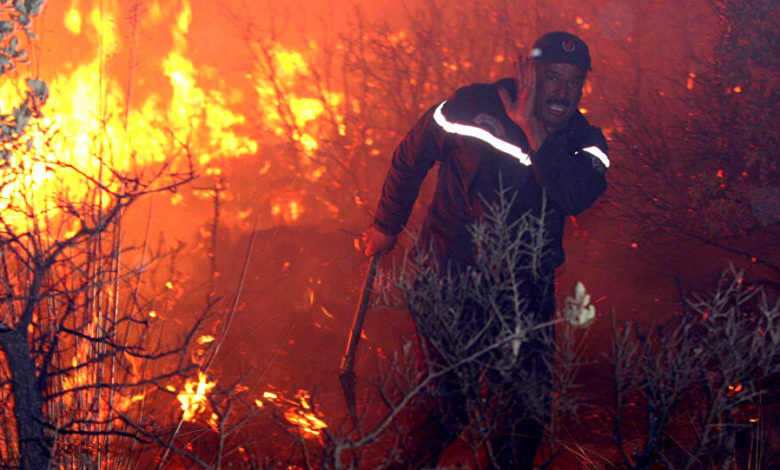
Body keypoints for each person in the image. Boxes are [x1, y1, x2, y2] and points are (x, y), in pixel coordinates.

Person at [362, 31, 610, 468]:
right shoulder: (470, 107)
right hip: (449, 279)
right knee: (446, 406)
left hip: (525, 293)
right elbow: (411, 155)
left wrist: (535, 133)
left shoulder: (585, 141)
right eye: (553, 77)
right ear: (529, 73)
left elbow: (576, 196)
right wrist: (386, 224)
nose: (563, 92)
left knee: (523, 414)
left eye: (574, 81)